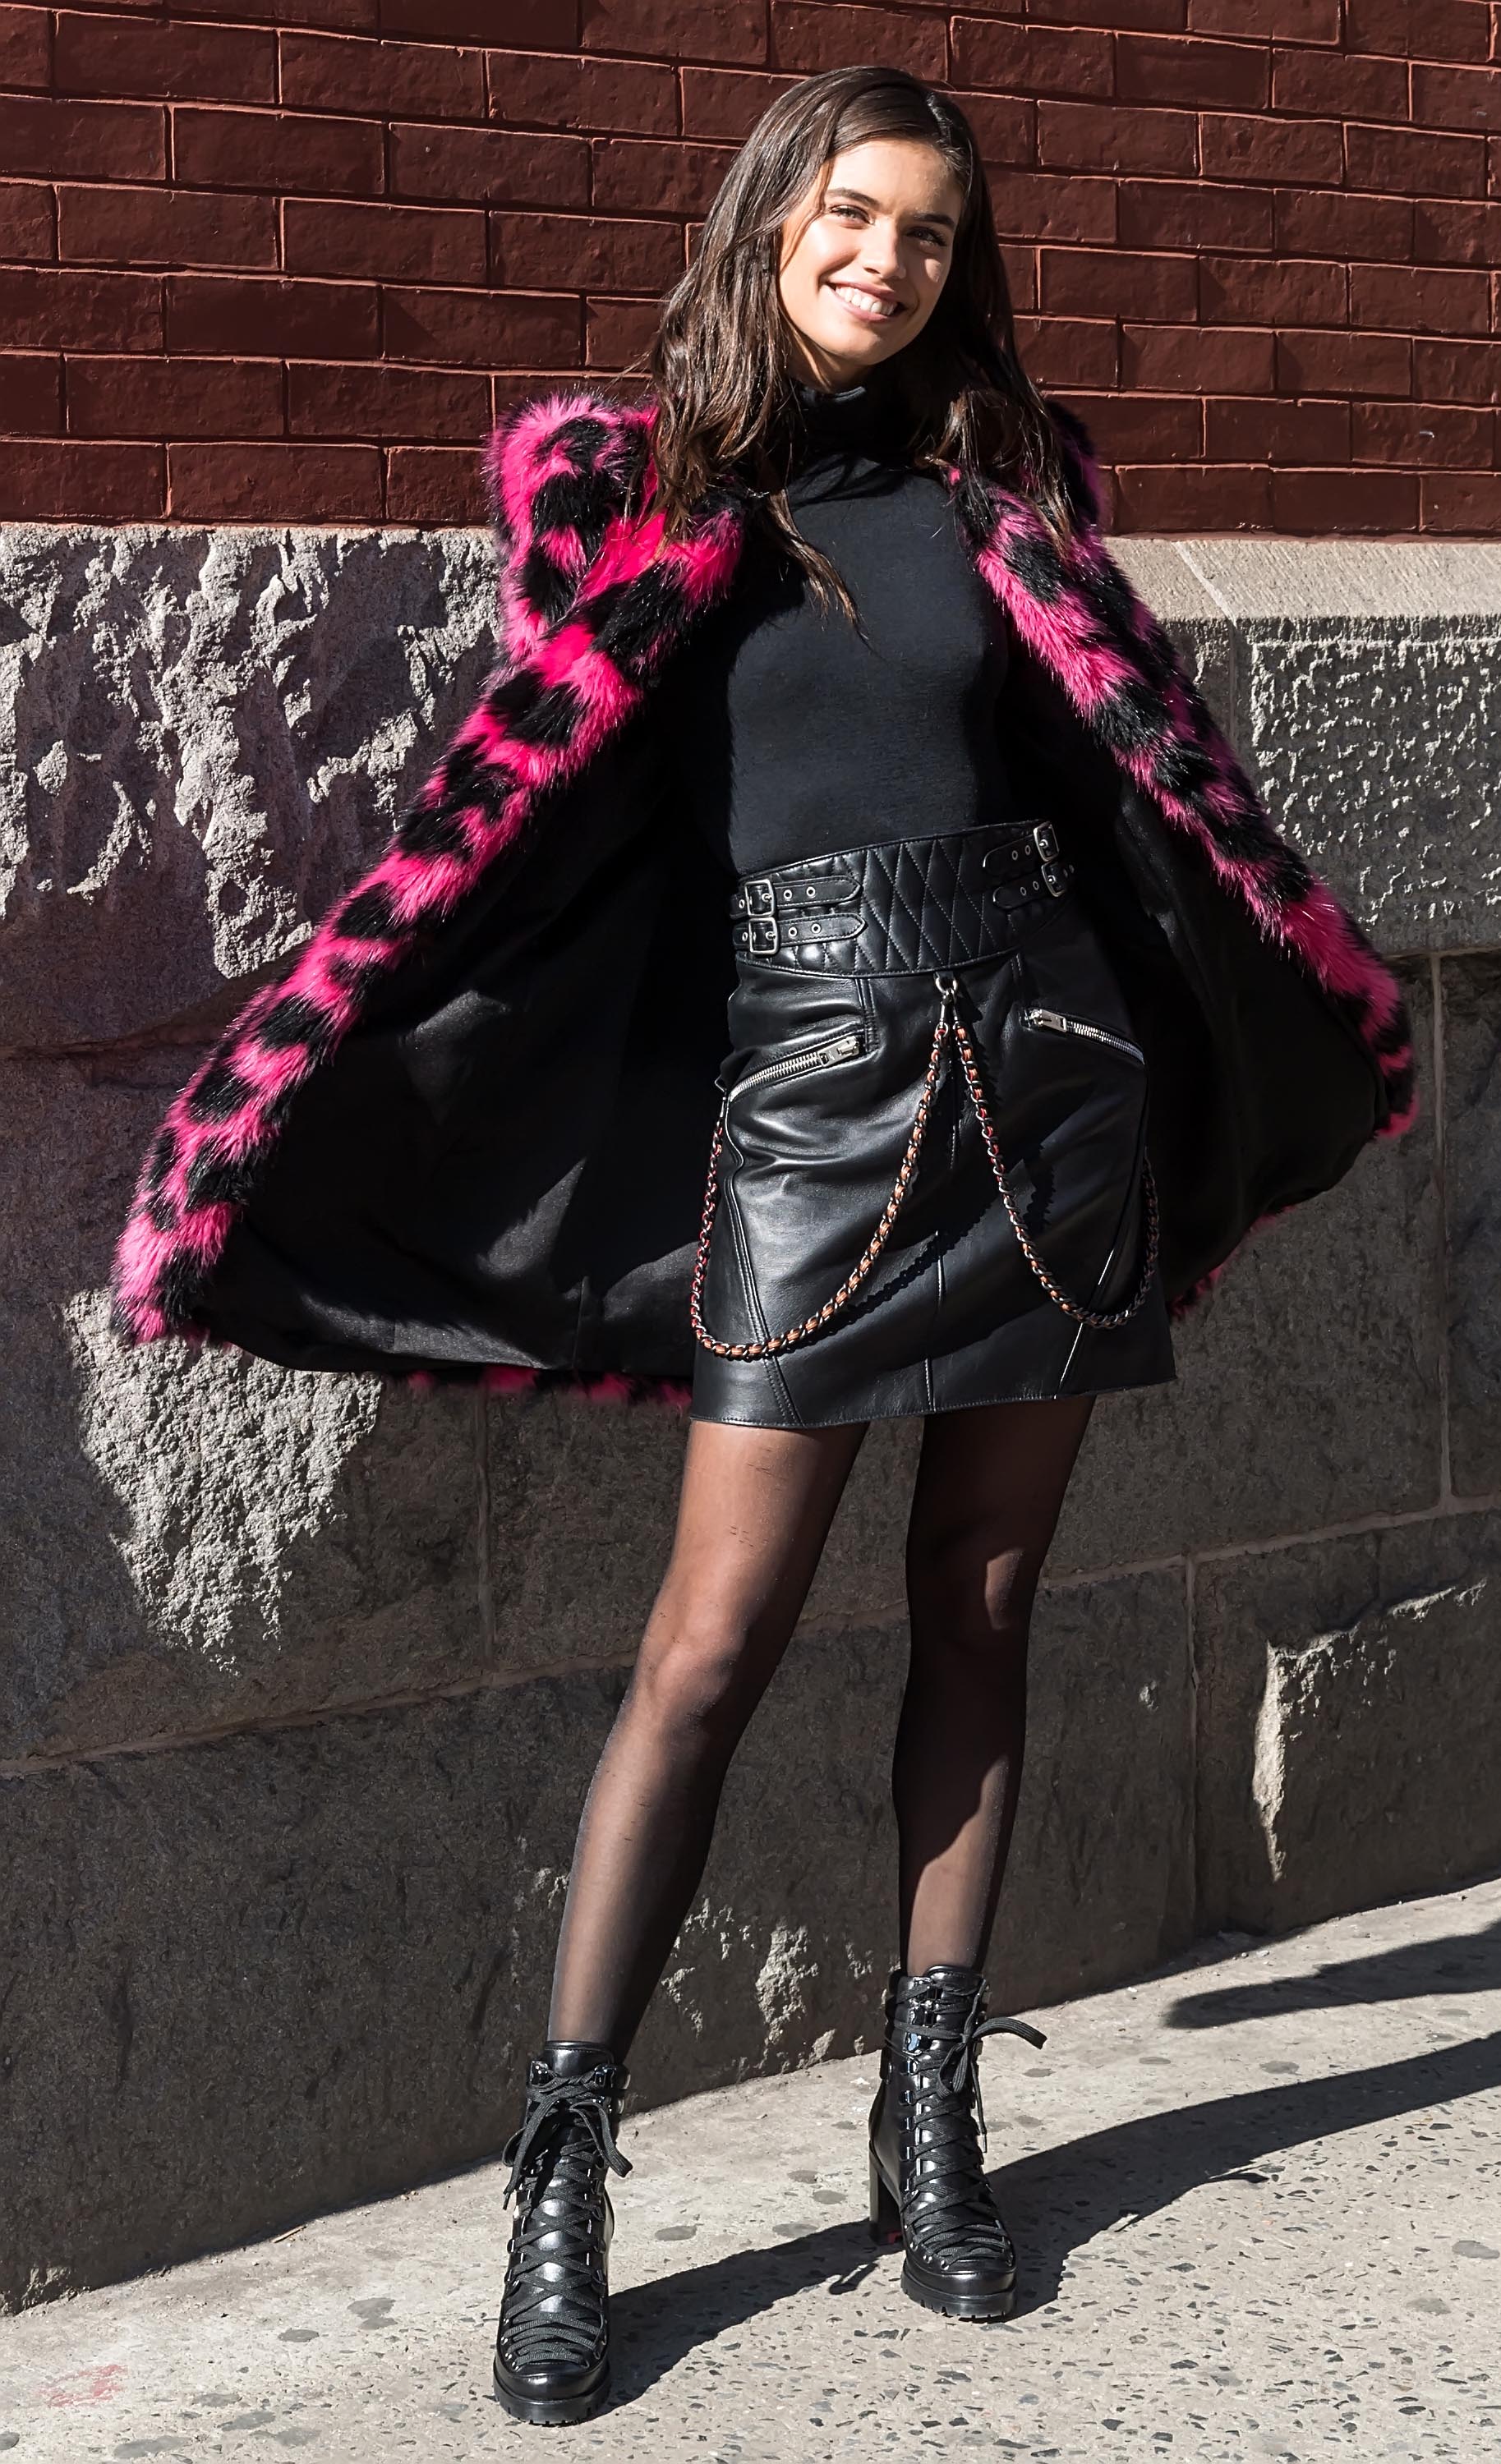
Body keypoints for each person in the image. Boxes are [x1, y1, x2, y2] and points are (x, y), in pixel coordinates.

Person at [112, 65, 1415, 2430]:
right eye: (851, 215)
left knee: (984, 1608)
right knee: (705, 1645)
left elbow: (1124, 806)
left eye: (926, 231)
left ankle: (928, 2129)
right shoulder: (629, 487)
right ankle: (563, 2170)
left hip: (1044, 1069)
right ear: (772, 222)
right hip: (807, 1088)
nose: (887, 261)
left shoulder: (1001, 492)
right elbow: (552, 835)